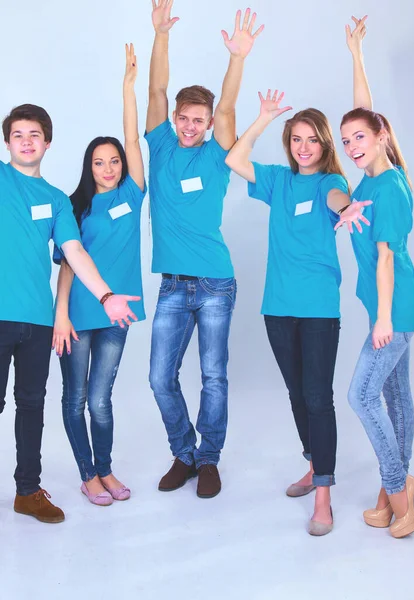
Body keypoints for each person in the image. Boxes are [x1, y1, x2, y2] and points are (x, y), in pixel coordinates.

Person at [225, 88, 370, 534]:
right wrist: (265, 117)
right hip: (278, 309)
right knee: (295, 394)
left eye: (311, 140)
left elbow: (337, 200)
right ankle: (313, 465)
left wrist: (347, 210)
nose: (304, 148)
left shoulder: (331, 183)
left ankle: (323, 496)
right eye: (296, 140)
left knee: (317, 397)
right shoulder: (277, 180)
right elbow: (234, 159)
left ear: (326, 145)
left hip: (319, 310)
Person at [0, 102, 140, 523]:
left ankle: (28, 491)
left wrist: (105, 296)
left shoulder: (58, 200)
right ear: (8, 142)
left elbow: (73, 254)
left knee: (31, 406)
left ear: (47, 142)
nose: (27, 142)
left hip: (39, 321)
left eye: (34, 135)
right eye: (18, 135)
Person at [145, 0, 263, 499]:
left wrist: (237, 58)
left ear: (209, 121)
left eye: (199, 120)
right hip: (173, 285)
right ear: (175, 118)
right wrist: (161, 35)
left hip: (216, 282)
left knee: (213, 376)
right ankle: (184, 452)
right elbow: (154, 88)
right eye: (184, 119)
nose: (191, 126)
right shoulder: (162, 145)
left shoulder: (218, 152)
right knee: (158, 378)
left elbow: (232, 107)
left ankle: (209, 459)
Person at [339, 16, 414, 538]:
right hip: (388, 305)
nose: (351, 145)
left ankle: (400, 492)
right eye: (346, 139)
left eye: (359, 138)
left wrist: (385, 319)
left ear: (381, 138)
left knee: (361, 396)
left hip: (398, 307)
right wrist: (356, 54)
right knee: (396, 399)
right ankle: (391, 493)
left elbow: (388, 258)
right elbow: (365, 112)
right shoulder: (368, 176)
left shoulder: (388, 187)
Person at [52, 44, 146, 506]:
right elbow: (69, 264)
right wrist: (61, 315)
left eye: (113, 162)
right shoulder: (75, 206)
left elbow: (133, 139)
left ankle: (106, 470)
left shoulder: (133, 191)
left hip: (116, 313)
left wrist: (128, 87)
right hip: (79, 315)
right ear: (88, 168)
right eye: (98, 162)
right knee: (74, 400)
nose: (108, 168)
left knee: (100, 401)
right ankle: (87, 475)